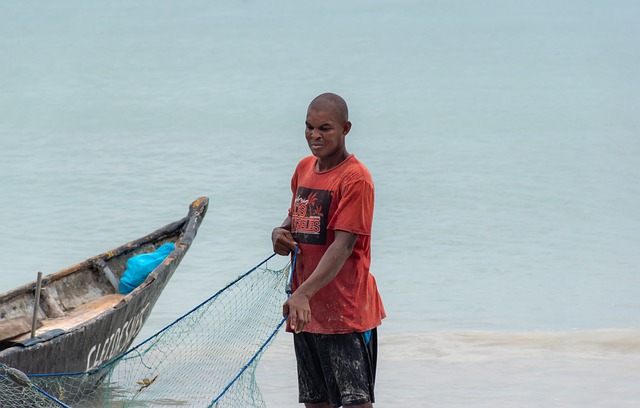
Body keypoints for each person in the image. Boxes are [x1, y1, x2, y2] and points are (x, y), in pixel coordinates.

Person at [271, 93, 386, 408]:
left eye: (325, 128)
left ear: (345, 128)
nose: (314, 136)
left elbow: (343, 246)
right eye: (309, 127)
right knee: (315, 401)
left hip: (346, 313)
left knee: (355, 403)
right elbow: (296, 220)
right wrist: (279, 234)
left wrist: (303, 294)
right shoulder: (304, 168)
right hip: (306, 312)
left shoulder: (355, 179)